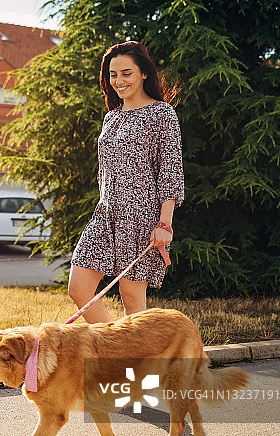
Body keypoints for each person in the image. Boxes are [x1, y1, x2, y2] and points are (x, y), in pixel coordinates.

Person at [68, 41, 184, 323]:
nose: (118, 81)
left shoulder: (162, 114)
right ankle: (117, 349)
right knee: (79, 288)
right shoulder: (112, 117)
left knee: (132, 300)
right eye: (113, 74)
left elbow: (170, 170)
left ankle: (135, 367)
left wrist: (164, 223)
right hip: (106, 213)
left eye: (126, 73)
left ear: (144, 73)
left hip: (141, 217)